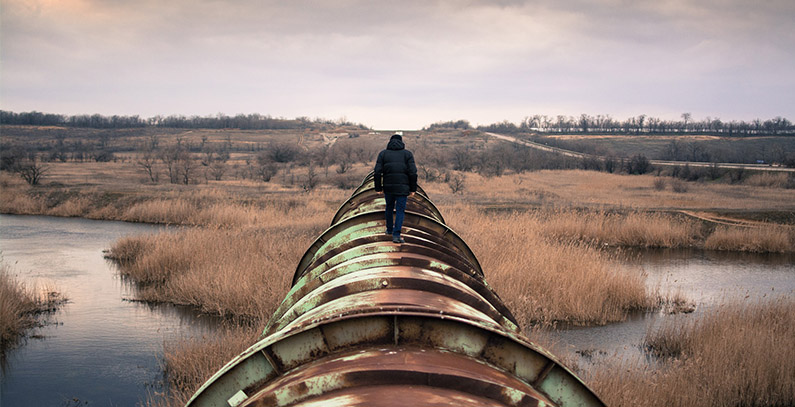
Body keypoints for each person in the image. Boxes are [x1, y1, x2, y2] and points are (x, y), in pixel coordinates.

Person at [374, 132, 417, 244]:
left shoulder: (383, 154)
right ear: (401, 142)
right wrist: (413, 189)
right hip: (403, 188)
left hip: (388, 187)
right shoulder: (407, 154)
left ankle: (389, 229)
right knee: (400, 211)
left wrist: (378, 188)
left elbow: (377, 172)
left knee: (389, 208)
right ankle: (396, 235)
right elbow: (413, 173)